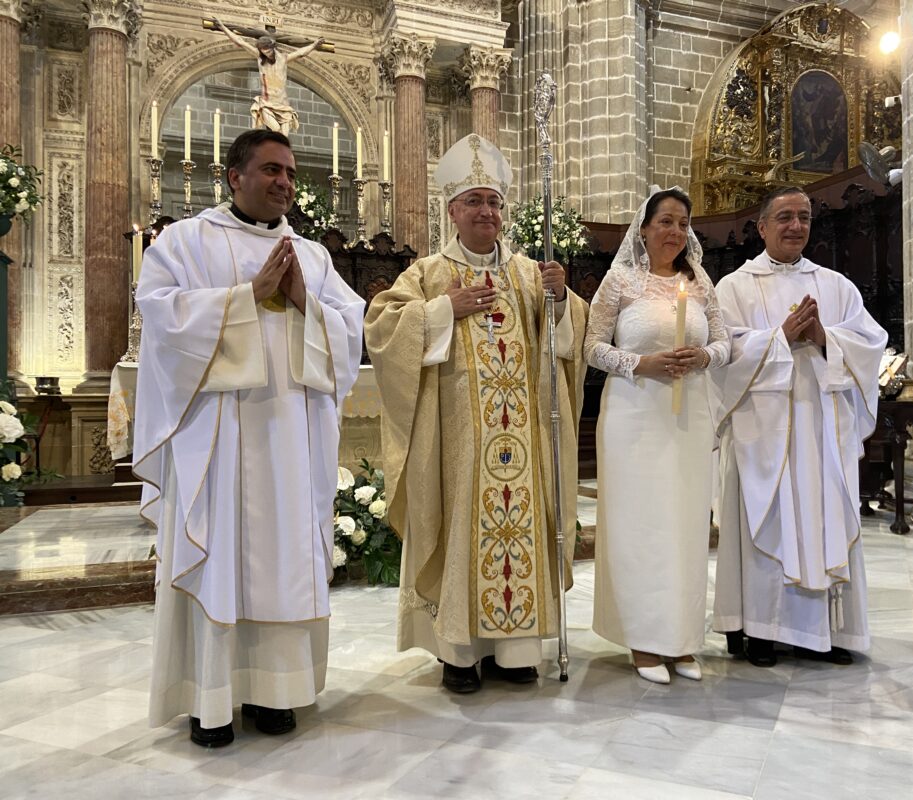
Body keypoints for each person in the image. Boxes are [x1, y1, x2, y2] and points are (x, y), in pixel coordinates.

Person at [134, 129, 365, 747]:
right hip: (216, 438)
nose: (284, 181)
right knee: (221, 556)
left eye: (289, 171)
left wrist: (303, 304)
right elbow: (158, 315)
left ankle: (276, 691)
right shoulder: (185, 241)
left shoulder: (311, 256)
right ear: (233, 176)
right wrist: (247, 298)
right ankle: (209, 699)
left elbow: (351, 331)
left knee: (284, 558)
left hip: (290, 440)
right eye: (270, 170)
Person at [365, 133, 588, 694]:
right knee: (463, 524)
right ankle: (459, 653)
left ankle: (514, 651)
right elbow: (382, 325)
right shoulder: (428, 274)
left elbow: (567, 343)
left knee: (521, 528)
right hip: (458, 444)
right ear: (452, 211)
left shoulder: (530, 274)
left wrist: (561, 302)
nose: (486, 212)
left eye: (493, 203)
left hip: (526, 437)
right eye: (474, 202)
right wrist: (442, 310)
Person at [710, 186, 887, 667]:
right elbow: (721, 355)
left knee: (822, 520)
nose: (796, 226)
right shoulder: (734, 288)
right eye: (784, 217)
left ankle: (827, 634)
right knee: (771, 521)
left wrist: (824, 336)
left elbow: (870, 343)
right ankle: (762, 631)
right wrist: (780, 339)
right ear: (762, 226)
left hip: (822, 430)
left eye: (804, 217)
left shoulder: (836, 286)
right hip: (762, 433)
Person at [585, 187, 730, 684]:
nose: (674, 231)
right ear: (643, 229)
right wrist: (638, 362)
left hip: (687, 415)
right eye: (665, 221)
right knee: (640, 527)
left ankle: (681, 639)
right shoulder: (620, 281)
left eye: (683, 223)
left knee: (685, 526)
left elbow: (724, 341)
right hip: (634, 415)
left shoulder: (700, 281)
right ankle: (644, 640)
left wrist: (706, 357)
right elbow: (592, 348)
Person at [214, 18, 324, 135]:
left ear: (272, 47)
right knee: (275, 130)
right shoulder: (260, 58)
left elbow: (301, 53)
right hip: (267, 104)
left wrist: (314, 45)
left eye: (268, 51)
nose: (266, 53)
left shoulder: (283, 59)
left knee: (284, 138)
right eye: (263, 51)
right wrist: (223, 27)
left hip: (283, 105)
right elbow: (241, 42)